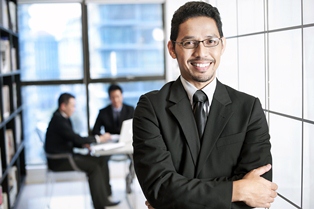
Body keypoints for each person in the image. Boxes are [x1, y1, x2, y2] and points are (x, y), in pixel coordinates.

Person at [132, 1, 278, 209]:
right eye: (189, 43)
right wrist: (238, 190)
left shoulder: (248, 108)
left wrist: (176, 199)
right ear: (172, 49)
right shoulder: (151, 108)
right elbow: (159, 187)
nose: (201, 52)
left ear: (222, 45)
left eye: (210, 41)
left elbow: (258, 191)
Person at [44, 93, 120, 209]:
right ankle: (99, 205)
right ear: (63, 106)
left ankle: (105, 197)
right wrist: (98, 139)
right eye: (72, 106)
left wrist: (84, 145)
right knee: (93, 166)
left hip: (66, 155)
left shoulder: (62, 118)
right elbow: (75, 138)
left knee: (100, 161)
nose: (74, 109)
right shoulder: (59, 121)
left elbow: (71, 139)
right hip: (61, 160)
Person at [92, 84, 134, 193]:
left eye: (118, 96)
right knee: (101, 160)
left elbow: (136, 127)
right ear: (109, 98)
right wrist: (103, 136)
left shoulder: (130, 109)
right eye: (113, 97)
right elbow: (94, 131)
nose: (115, 100)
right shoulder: (103, 112)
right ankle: (106, 188)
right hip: (110, 144)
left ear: (122, 96)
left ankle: (129, 179)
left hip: (126, 143)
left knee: (137, 157)